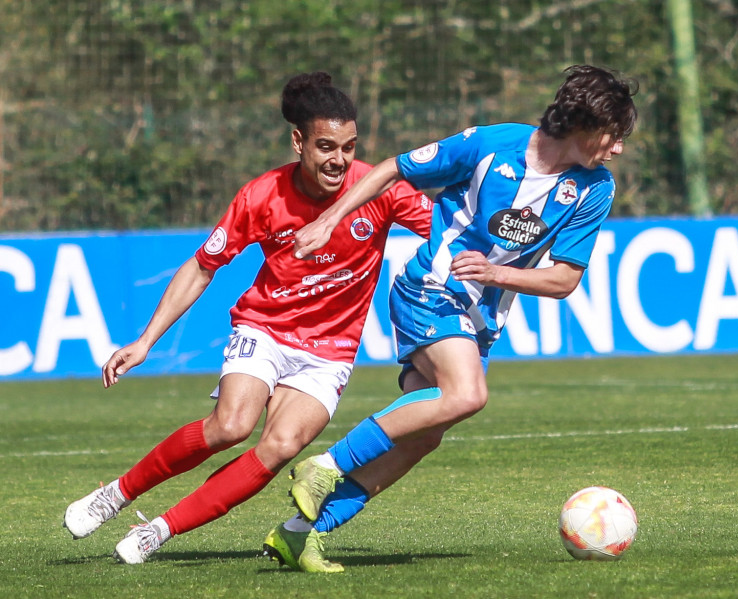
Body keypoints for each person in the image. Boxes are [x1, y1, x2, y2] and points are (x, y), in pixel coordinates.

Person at [264, 64, 638, 573]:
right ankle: (324, 467)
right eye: (614, 136)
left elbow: (564, 280)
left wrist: (494, 273)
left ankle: (301, 534)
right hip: (430, 290)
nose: (617, 148)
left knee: (425, 434)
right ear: (587, 124)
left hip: (479, 318)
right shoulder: (490, 145)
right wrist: (330, 220)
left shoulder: (594, 188)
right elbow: (393, 168)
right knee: (468, 394)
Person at [61, 72, 432, 565]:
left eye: (348, 146)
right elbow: (201, 266)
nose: (339, 160)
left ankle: (160, 531)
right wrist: (146, 340)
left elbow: (452, 231)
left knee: (280, 448)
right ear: (298, 141)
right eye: (325, 146)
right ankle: (117, 494)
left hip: (330, 349)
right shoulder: (262, 196)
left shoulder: (375, 189)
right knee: (232, 425)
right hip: (266, 328)